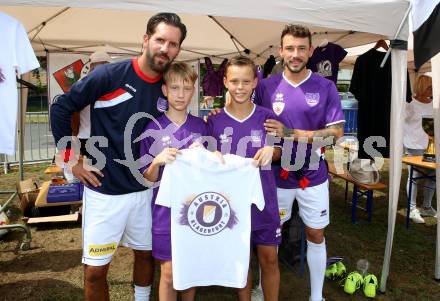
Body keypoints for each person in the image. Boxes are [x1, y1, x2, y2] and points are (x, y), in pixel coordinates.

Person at [50, 12, 187, 301]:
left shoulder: (169, 84)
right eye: (160, 40)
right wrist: (71, 160)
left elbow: (183, 121)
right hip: (105, 191)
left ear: (178, 49)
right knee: (95, 273)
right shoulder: (108, 75)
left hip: (147, 191)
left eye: (173, 44)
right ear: (146, 39)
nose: (165, 48)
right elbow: (61, 107)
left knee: (146, 257)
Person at [254, 24, 345, 301]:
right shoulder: (266, 86)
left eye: (301, 49)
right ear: (281, 50)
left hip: (312, 174)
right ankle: (262, 288)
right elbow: (250, 121)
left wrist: (291, 134)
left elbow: (335, 136)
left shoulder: (325, 87)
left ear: (311, 52)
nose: (295, 54)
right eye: (290, 48)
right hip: (275, 175)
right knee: (271, 237)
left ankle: (317, 296)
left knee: (315, 233)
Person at [207, 56, 282, 301]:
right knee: (241, 261)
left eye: (246, 81)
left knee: (269, 259)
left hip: (265, 202)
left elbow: (286, 151)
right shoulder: (214, 121)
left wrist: (275, 150)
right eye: (235, 81)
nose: (240, 87)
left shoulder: (268, 118)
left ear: (255, 83)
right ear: (226, 82)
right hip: (231, 204)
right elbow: (205, 160)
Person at [140, 62, 207, 301]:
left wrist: (209, 155)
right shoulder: (152, 128)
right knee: (168, 273)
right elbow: (146, 179)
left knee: (189, 270)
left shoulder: (202, 126)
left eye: (187, 88)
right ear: (165, 90)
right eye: (175, 87)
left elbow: (211, 173)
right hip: (164, 212)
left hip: (194, 211)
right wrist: (156, 162)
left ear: (193, 91)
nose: (181, 94)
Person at [403, 74, 436, 224]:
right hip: (413, 146)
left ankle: (427, 206)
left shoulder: (435, 103)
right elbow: (400, 123)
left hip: (432, 147)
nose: (432, 89)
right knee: (414, 178)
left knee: (434, 177)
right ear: (422, 87)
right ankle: (412, 208)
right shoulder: (410, 104)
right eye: (430, 86)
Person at [71, 51, 112, 157]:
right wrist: (74, 135)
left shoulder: (81, 82)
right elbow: (74, 111)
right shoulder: (82, 83)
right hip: (92, 136)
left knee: (93, 170)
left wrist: (75, 135)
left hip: (91, 136)